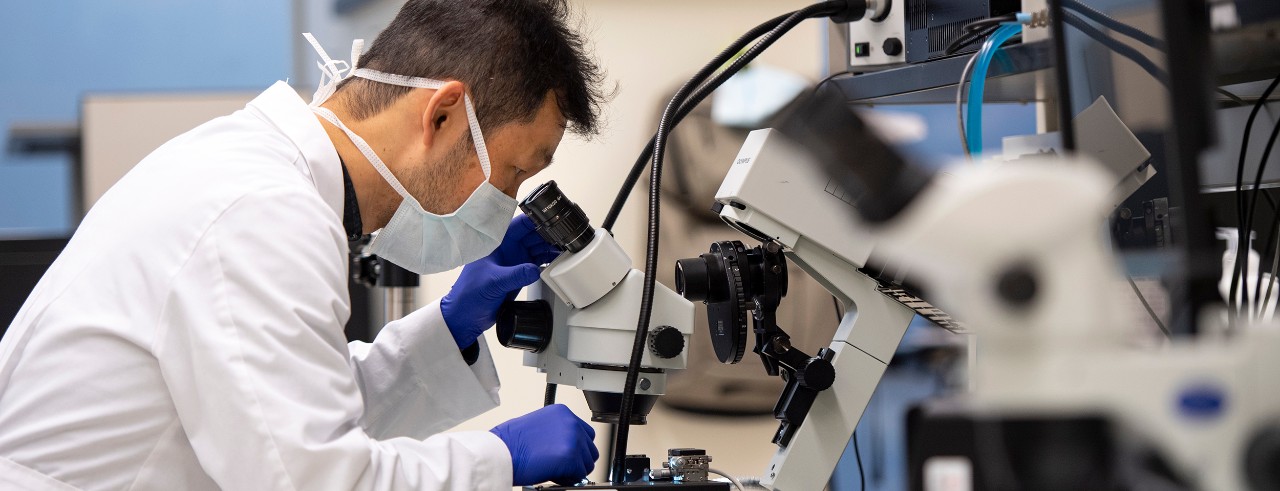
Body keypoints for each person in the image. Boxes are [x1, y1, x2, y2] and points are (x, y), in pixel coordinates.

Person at [0, 1, 607, 489]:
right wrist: (500, 458)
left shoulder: (258, 172)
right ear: (443, 115)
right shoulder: (263, 215)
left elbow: (284, 413)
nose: (507, 203)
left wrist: (447, 332)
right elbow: (315, 478)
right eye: (511, 174)